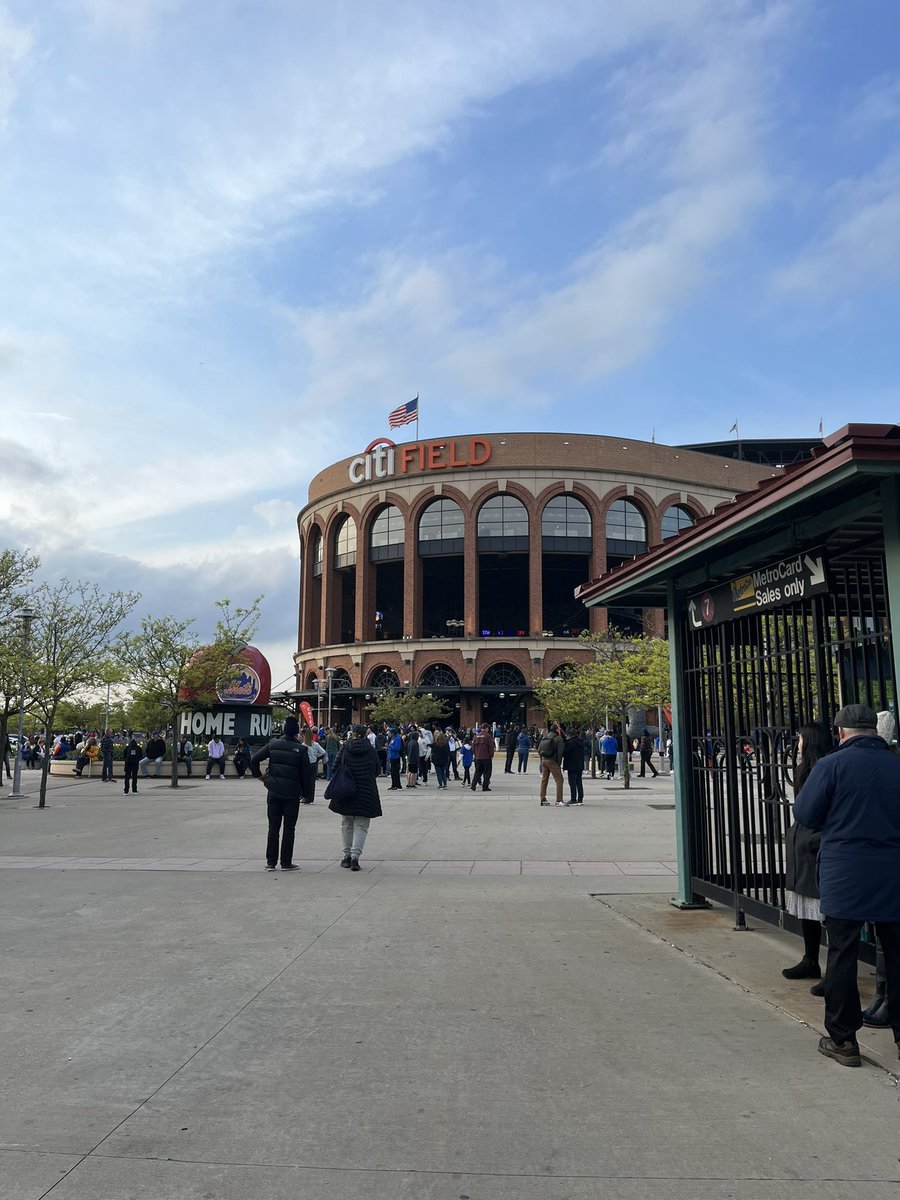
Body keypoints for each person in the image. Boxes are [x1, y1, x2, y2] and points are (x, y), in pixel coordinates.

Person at [793, 704, 900, 1068]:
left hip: (845, 873)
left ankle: (844, 1040)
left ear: (840, 733)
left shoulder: (830, 766)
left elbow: (806, 814)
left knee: (842, 954)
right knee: (898, 955)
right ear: (874, 730)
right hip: (893, 873)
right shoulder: (896, 764)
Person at [782, 722, 832, 988]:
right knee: (806, 901)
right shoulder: (805, 769)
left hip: (815, 841)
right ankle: (810, 958)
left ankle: (832, 970)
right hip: (803, 843)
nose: (797, 743)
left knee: (826, 907)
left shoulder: (825, 769)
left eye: (800, 738)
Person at [251, 715, 313, 871]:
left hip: (274, 791)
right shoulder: (301, 749)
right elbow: (307, 775)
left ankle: (271, 862)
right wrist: (306, 794)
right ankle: (286, 862)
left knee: (273, 827)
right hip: (292, 793)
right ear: (296, 733)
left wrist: (259, 776)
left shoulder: (273, 744)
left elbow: (254, 759)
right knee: (289, 828)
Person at [329, 724, 382, 871]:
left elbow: (335, 767)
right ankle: (355, 858)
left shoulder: (346, 748)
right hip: (366, 792)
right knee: (361, 825)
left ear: (353, 734)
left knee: (346, 823)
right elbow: (377, 769)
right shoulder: (371, 750)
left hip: (346, 791)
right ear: (365, 734)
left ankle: (346, 856)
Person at [538, 723, 565, 806]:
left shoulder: (545, 737)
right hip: (553, 761)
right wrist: (559, 763)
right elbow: (560, 753)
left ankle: (543, 799)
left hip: (544, 760)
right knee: (559, 780)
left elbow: (539, 749)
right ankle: (559, 800)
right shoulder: (558, 738)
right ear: (557, 729)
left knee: (544, 780)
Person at [301, 729, 327, 802]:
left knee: (305, 781)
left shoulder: (304, 745)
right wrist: (316, 756)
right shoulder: (316, 744)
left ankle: (305, 797)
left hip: (306, 764)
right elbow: (323, 752)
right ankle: (311, 799)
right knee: (312, 782)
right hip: (313, 763)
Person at [563, 727, 585, 805]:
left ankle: (573, 798)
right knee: (579, 782)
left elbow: (565, 753)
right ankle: (580, 798)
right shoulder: (580, 742)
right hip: (580, 764)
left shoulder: (570, 743)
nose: (566, 737)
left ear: (569, 736)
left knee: (572, 782)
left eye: (566, 736)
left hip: (572, 765)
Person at [471, 723, 494, 792]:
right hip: (486, 757)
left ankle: (473, 785)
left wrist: (475, 754)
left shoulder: (476, 736)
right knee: (487, 773)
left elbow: (473, 747)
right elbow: (491, 747)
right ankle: (485, 787)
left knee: (477, 772)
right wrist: (491, 755)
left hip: (478, 757)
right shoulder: (488, 736)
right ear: (487, 728)